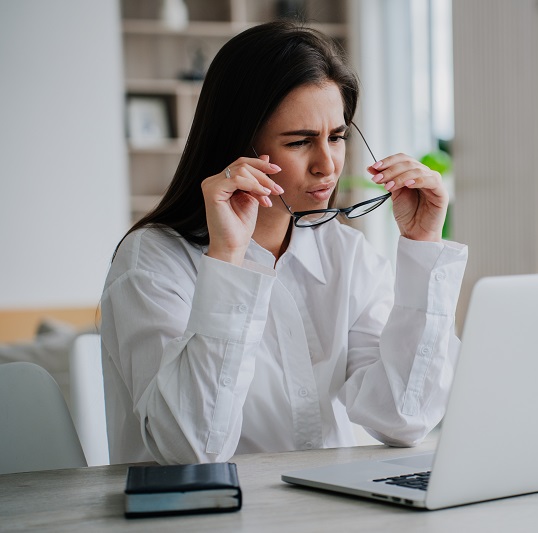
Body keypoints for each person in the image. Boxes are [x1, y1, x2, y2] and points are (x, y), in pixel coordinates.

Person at [101, 21, 468, 465]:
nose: (327, 166)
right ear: (239, 146)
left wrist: (423, 246)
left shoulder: (346, 255)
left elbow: (403, 418)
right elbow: (189, 450)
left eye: (336, 137)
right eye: (299, 142)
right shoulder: (152, 262)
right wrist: (228, 263)